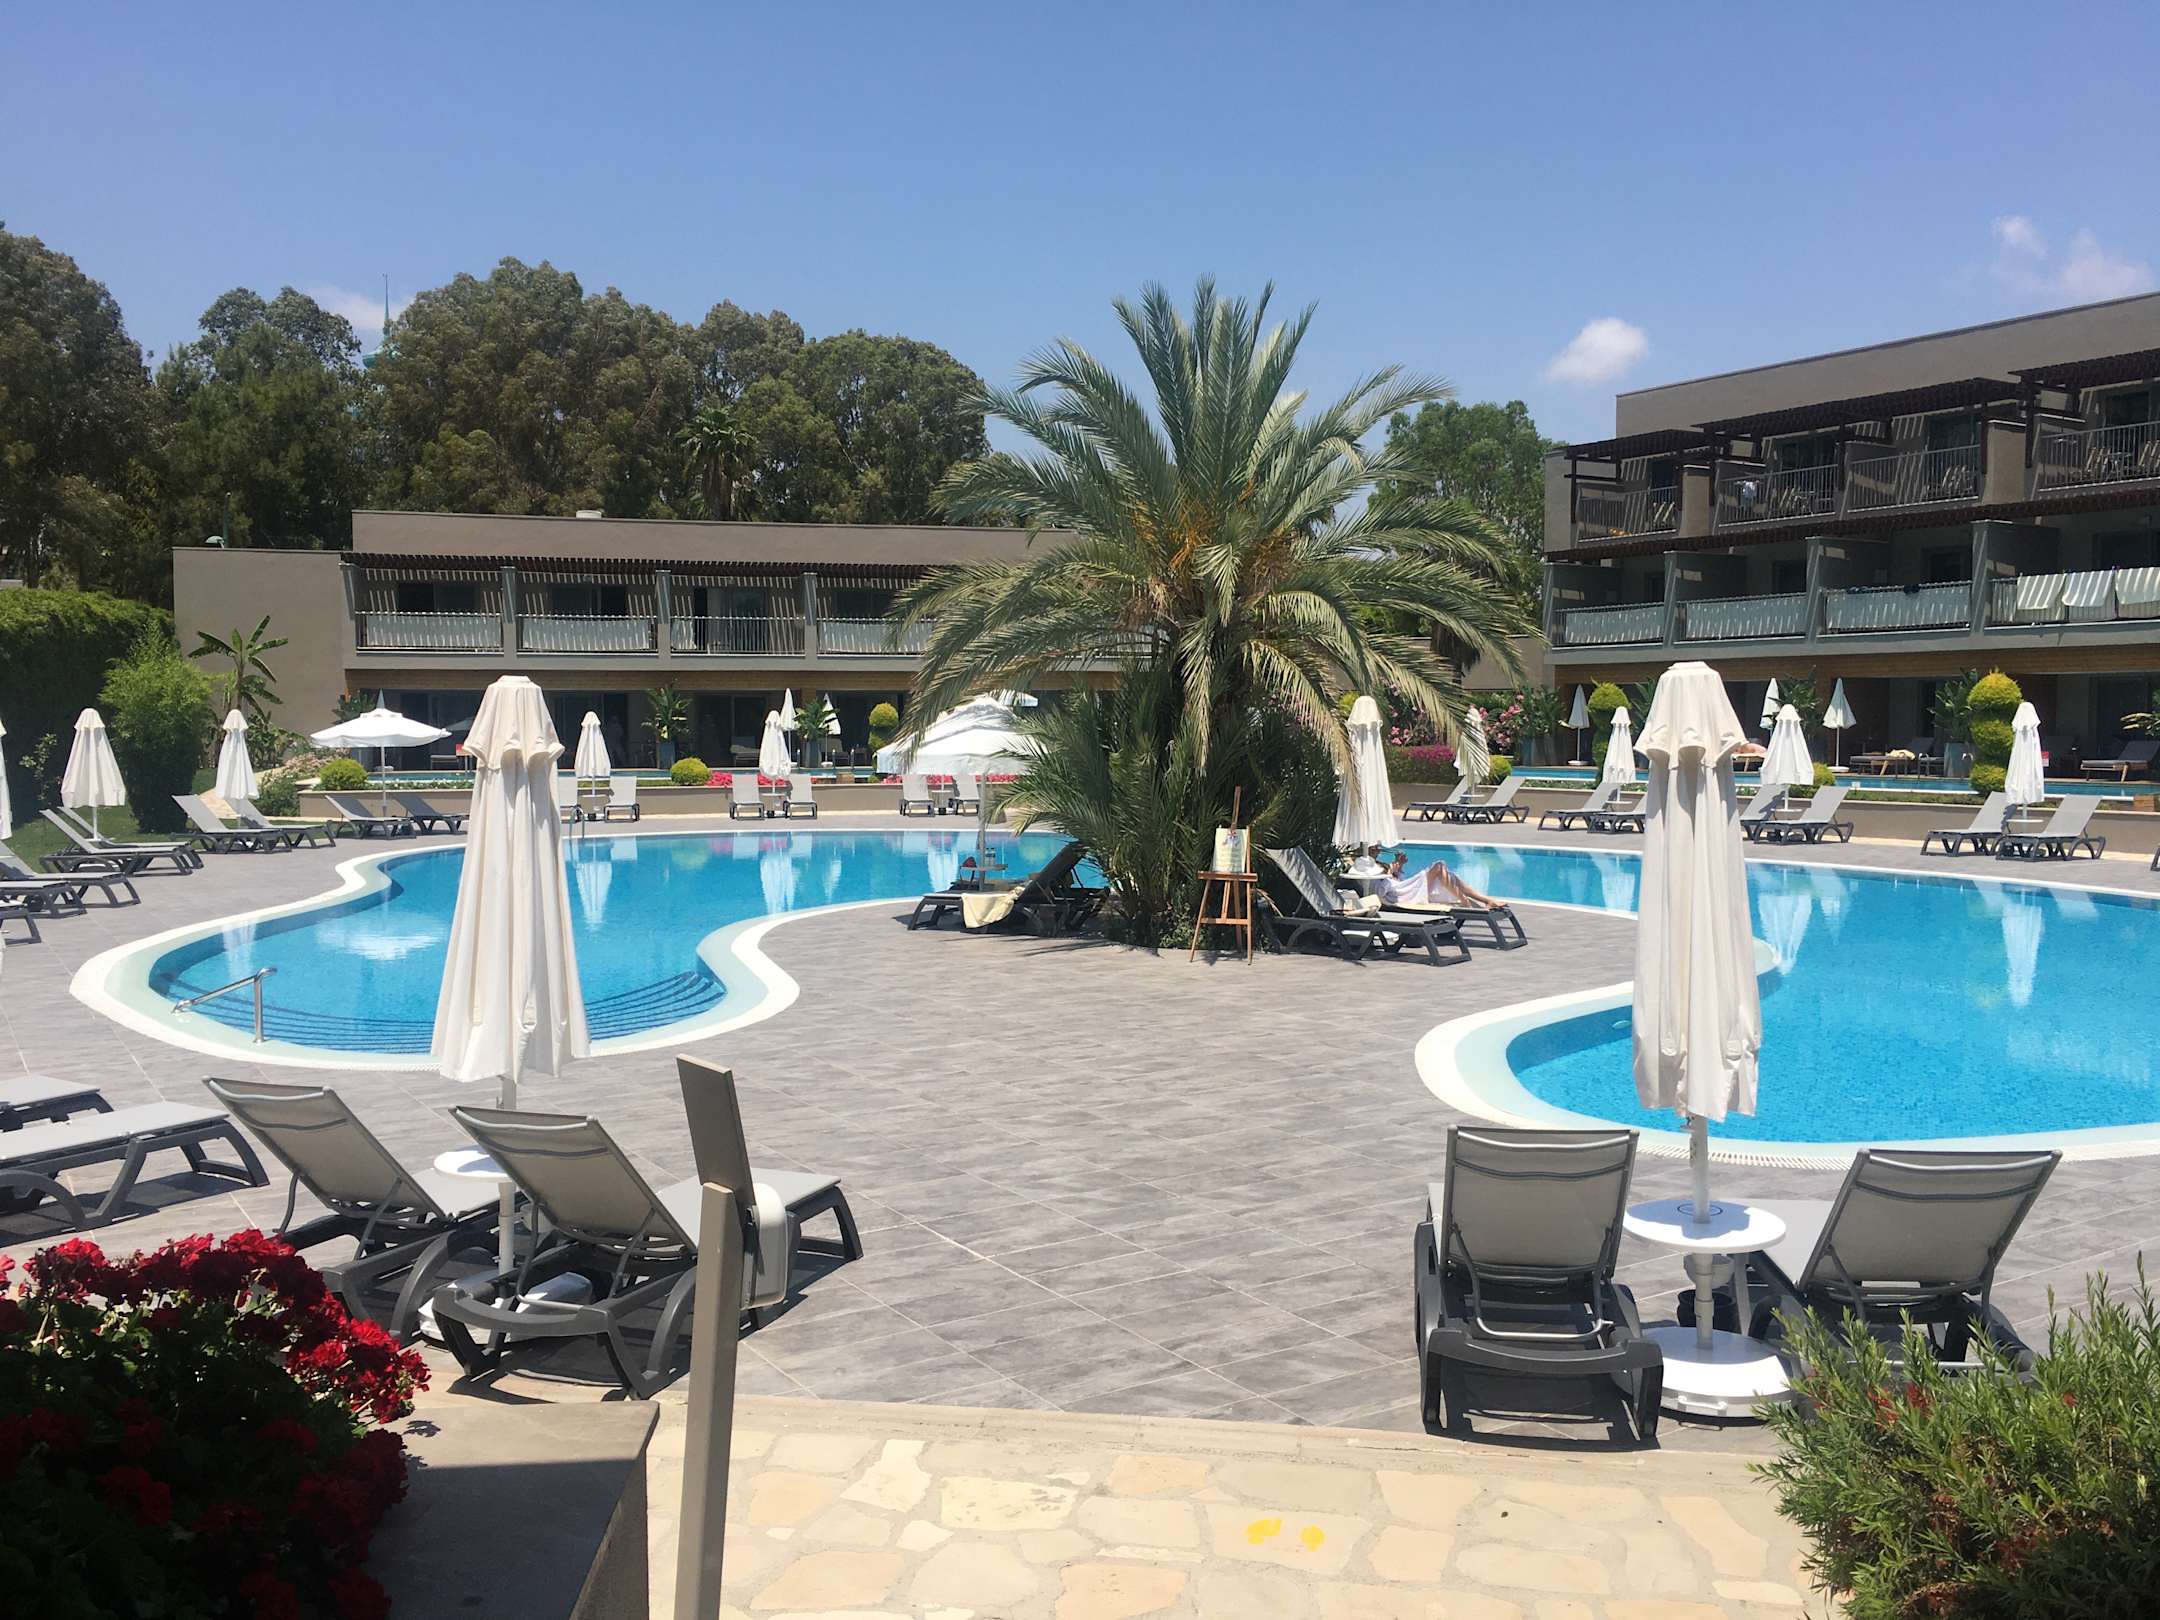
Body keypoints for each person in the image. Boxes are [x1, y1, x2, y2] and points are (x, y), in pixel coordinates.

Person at [1375, 848, 1499, 910]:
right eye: (1374, 848)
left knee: (1451, 876)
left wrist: (1399, 865)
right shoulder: (1372, 872)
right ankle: (1465, 902)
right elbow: (1380, 891)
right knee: (1439, 866)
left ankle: (1487, 900)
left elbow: (1397, 882)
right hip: (1406, 896)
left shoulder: (1380, 867)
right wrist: (1389, 874)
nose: (1378, 850)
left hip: (1407, 890)